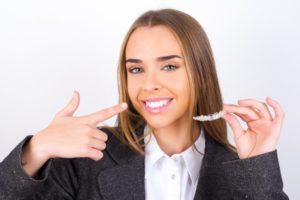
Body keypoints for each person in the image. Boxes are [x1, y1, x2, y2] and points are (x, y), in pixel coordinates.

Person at [0, 9, 289, 200]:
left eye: (169, 67)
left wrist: (256, 170)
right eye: (136, 69)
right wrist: (37, 149)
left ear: (201, 76)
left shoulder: (240, 171)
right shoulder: (87, 157)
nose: (149, 84)